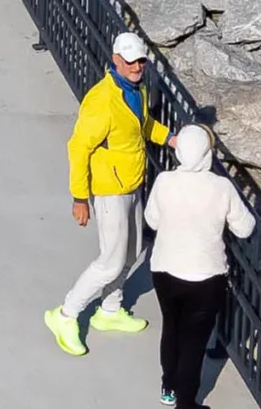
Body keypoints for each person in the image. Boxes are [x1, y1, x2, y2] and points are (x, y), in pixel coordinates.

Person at [43, 30, 169, 357]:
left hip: (131, 183)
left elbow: (141, 126)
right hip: (109, 189)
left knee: (132, 252)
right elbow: (78, 148)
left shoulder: (136, 90)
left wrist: (171, 139)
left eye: (141, 60)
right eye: (131, 61)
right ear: (116, 60)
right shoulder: (102, 101)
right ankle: (66, 314)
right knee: (110, 262)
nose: (137, 66)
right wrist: (80, 198)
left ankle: (110, 310)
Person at [145, 123, 256, 409]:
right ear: (207, 153)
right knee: (194, 342)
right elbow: (244, 228)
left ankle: (168, 386)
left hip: (165, 269)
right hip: (205, 276)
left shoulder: (165, 180)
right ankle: (185, 406)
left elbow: (151, 219)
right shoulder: (220, 187)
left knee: (171, 328)